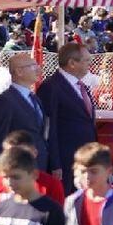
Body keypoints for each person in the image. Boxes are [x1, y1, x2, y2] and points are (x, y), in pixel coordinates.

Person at [37, 43, 98, 181]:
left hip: (86, 160)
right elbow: (48, 128)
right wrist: (55, 163)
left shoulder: (82, 86)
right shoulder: (51, 87)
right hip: (65, 163)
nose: (90, 64)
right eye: (86, 60)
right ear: (72, 63)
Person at [0, 51, 50, 172]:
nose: (38, 70)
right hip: (18, 169)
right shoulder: (4, 101)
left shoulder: (35, 99)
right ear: (19, 71)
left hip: (39, 165)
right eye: (33, 66)